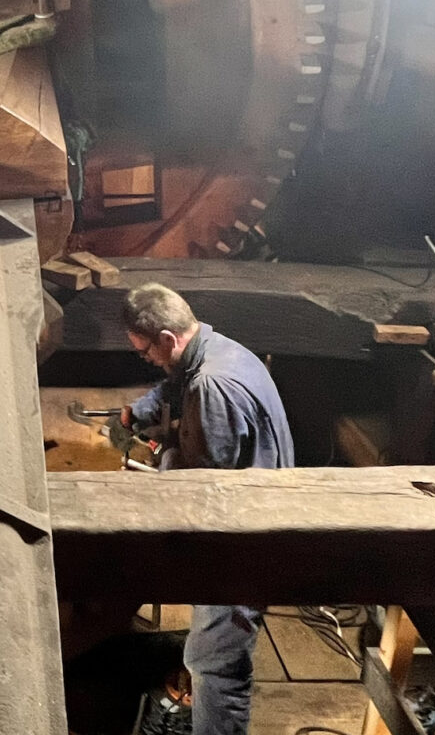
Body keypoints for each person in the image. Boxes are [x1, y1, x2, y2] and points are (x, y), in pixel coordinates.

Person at [117, 282, 293, 735]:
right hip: (247, 518)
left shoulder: (213, 385)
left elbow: (205, 487)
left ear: (169, 339)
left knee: (214, 662)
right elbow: (172, 382)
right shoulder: (217, 348)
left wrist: (156, 482)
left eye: (146, 352)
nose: (147, 360)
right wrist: (140, 411)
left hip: (245, 540)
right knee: (208, 654)